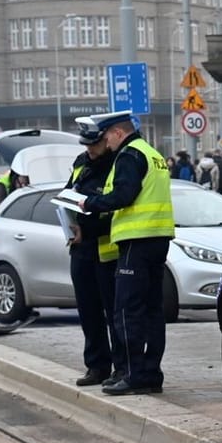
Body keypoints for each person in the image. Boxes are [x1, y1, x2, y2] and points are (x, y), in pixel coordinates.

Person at [82, 112, 174, 395]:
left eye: (106, 135)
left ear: (118, 132)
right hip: (158, 239)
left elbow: (124, 195)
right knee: (152, 310)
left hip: (136, 240)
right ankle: (151, 374)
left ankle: (134, 375)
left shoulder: (129, 155)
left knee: (127, 310)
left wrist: (89, 203)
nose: (105, 141)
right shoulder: (153, 154)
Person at [67, 118, 121, 387]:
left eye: (94, 144)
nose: (89, 149)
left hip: (107, 248)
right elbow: (68, 192)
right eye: (86, 144)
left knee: (113, 312)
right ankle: (96, 366)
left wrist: (88, 227)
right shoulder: (81, 162)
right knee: (88, 311)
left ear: (105, 139)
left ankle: (120, 368)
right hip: (80, 247)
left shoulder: (117, 163)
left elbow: (117, 207)